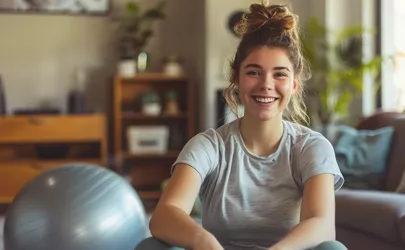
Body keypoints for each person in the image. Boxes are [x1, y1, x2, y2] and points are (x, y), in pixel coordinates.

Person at [140, 2, 347, 250]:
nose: (266, 84)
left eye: (279, 74)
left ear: (294, 84)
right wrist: (205, 242)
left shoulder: (311, 147)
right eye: (254, 72)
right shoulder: (209, 146)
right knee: (152, 246)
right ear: (236, 78)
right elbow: (165, 214)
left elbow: (322, 224)